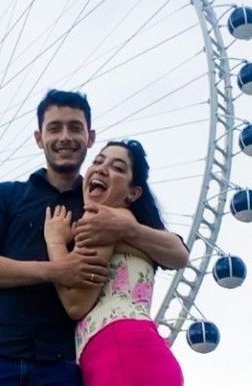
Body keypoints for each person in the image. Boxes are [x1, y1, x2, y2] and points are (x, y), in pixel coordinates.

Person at [0, 89, 183, 385]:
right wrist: (56, 270)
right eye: (54, 128)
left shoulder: (103, 206)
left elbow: (176, 253)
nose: (65, 137)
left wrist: (126, 228)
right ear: (39, 137)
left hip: (62, 364)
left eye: (75, 128)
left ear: (90, 137)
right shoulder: (5, 195)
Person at [44, 140, 188, 386]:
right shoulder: (131, 228)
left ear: (134, 192)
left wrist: (55, 242)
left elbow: (76, 303)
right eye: (98, 161)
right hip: (141, 351)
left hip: (118, 352)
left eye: (118, 168)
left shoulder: (101, 220)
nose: (102, 169)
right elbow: (180, 255)